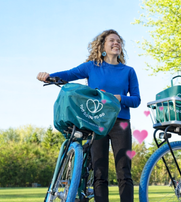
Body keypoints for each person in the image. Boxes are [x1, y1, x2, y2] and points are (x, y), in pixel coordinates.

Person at [37, 29, 141, 202]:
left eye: (119, 41)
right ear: (102, 46)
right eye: (112, 41)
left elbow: (136, 100)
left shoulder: (128, 71)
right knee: (99, 173)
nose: (116, 43)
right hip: (96, 122)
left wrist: (118, 98)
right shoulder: (92, 67)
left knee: (124, 172)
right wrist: (49, 77)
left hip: (120, 123)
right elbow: (69, 74)